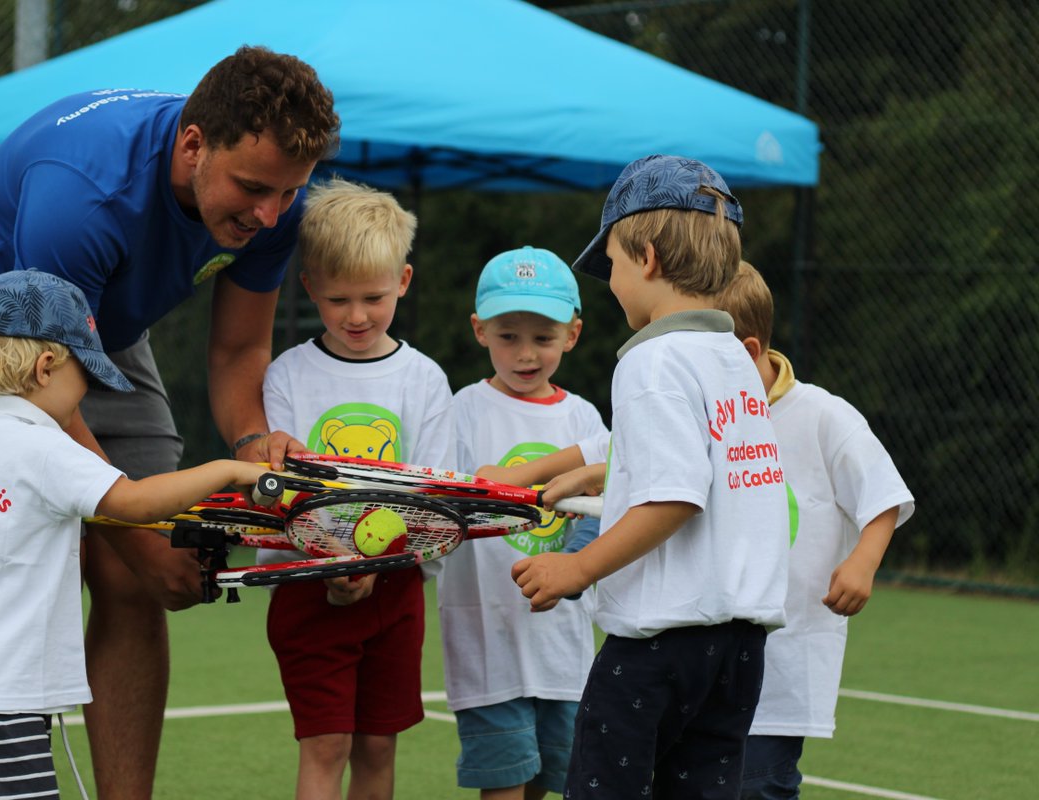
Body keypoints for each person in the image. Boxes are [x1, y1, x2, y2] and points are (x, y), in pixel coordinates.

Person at [0, 45, 339, 795]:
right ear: (192, 145)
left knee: (131, 580)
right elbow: (44, 401)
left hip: (104, 332)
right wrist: (144, 545)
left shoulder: (274, 199)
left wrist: (254, 440)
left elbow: (240, 348)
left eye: (288, 193)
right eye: (253, 189)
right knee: (54, 551)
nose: (270, 214)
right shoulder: (81, 197)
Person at [511, 155, 790, 799]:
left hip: (660, 645)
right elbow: (705, 471)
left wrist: (576, 570)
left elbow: (675, 496)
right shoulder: (733, 358)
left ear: (649, 257)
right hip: (738, 651)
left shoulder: (652, 360)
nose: (608, 282)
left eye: (609, 261)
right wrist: (597, 476)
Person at [0, 269, 270, 800]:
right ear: (47, 367)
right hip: (11, 692)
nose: (85, 395)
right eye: (83, 377)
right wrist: (228, 471)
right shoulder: (42, 447)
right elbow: (132, 503)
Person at [259, 177, 454, 800]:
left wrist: (379, 562)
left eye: (373, 296)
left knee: (376, 746)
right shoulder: (285, 374)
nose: (357, 316)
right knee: (327, 746)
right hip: (307, 588)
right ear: (309, 285)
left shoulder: (424, 380)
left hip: (396, 591)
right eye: (338, 299)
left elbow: (434, 500)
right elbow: (282, 494)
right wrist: (335, 561)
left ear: (404, 279)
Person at [713, 262, 915, 799]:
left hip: (784, 662)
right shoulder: (700, 412)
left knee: (759, 787)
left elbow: (884, 496)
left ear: (749, 350)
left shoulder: (825, 416)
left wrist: (862, 562)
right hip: (702, 654)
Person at [438, 246, 608, 799]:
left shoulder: (583, 418)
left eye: (543, 337)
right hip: (486, 641)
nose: (526, 353)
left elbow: (603, 506)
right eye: (508, 335)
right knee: (505, 785)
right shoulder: (460, 409)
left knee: (548, 784)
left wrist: (571, 571)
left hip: (561, 647)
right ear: (479, 329)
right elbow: (443, 512)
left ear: (574, 334)